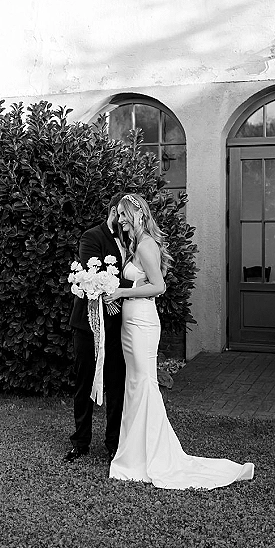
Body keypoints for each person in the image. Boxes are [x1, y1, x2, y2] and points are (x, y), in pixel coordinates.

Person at [105, 193, 255, 489]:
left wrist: (121, 293)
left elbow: (158, 287)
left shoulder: (147, 245)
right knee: (135, 385)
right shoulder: (136, 244)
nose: (120, 220)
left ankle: (151, 456)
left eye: (123, 215)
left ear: (137, 215)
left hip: (143, 322)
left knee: (144, 384)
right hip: (131, 322)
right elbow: (144, 277)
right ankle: (133, 454)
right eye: (118, 216)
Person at [64, 193, 132, 463]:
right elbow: (98, 278)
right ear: (113, 212)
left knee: (117, 384)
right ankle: (80, 442)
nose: (124, 220)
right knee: (84, 383)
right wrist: (137, 289)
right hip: (88, 325)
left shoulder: (132, 240)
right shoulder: (91, 237)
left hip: (121, 325)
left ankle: (114, 443)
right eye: (121, 214)